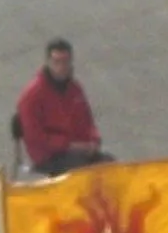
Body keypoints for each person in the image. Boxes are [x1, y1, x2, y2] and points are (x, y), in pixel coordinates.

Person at [16, 39, 111, 176]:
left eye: (65, 62)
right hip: (48, 156)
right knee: (84, 173)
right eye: (56, 62)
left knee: (111, 166)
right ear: (47, 62)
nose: (61, 67)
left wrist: (94, 141)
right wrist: (70, 146)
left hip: (76, 150)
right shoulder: (32, 95)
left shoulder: (75, 89)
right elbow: (35, 137)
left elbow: (87, 121)